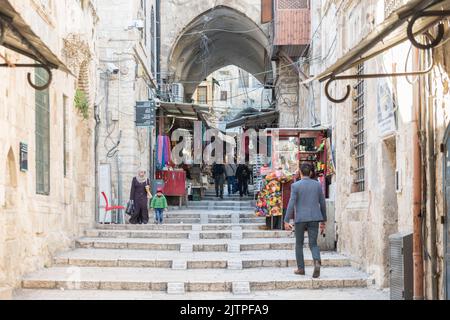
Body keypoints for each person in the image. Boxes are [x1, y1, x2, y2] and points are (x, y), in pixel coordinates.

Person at [284, 163, 327, 278]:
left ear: (300, 172)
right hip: (314, 218)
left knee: (299, 244)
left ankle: (301, 269)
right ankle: (317, 261)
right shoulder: (317, 185)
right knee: (313, 243)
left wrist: (286, 220)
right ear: (311, 173)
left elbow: (291, 203)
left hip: (300, 219)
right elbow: (322, 203)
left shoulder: (295, 186)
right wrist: (323, 220)